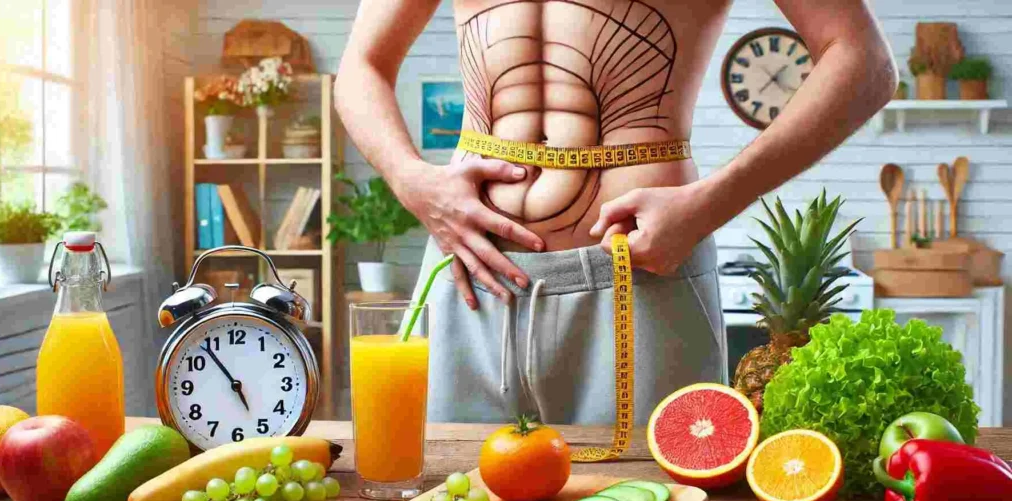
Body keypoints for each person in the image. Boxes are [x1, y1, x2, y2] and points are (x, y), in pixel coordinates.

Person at [335, 0, 897, 425]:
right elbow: (362, 64)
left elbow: (862, 59)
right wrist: (412, 180)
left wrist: (708, 205)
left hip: (641, 275)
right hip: (470, 270)